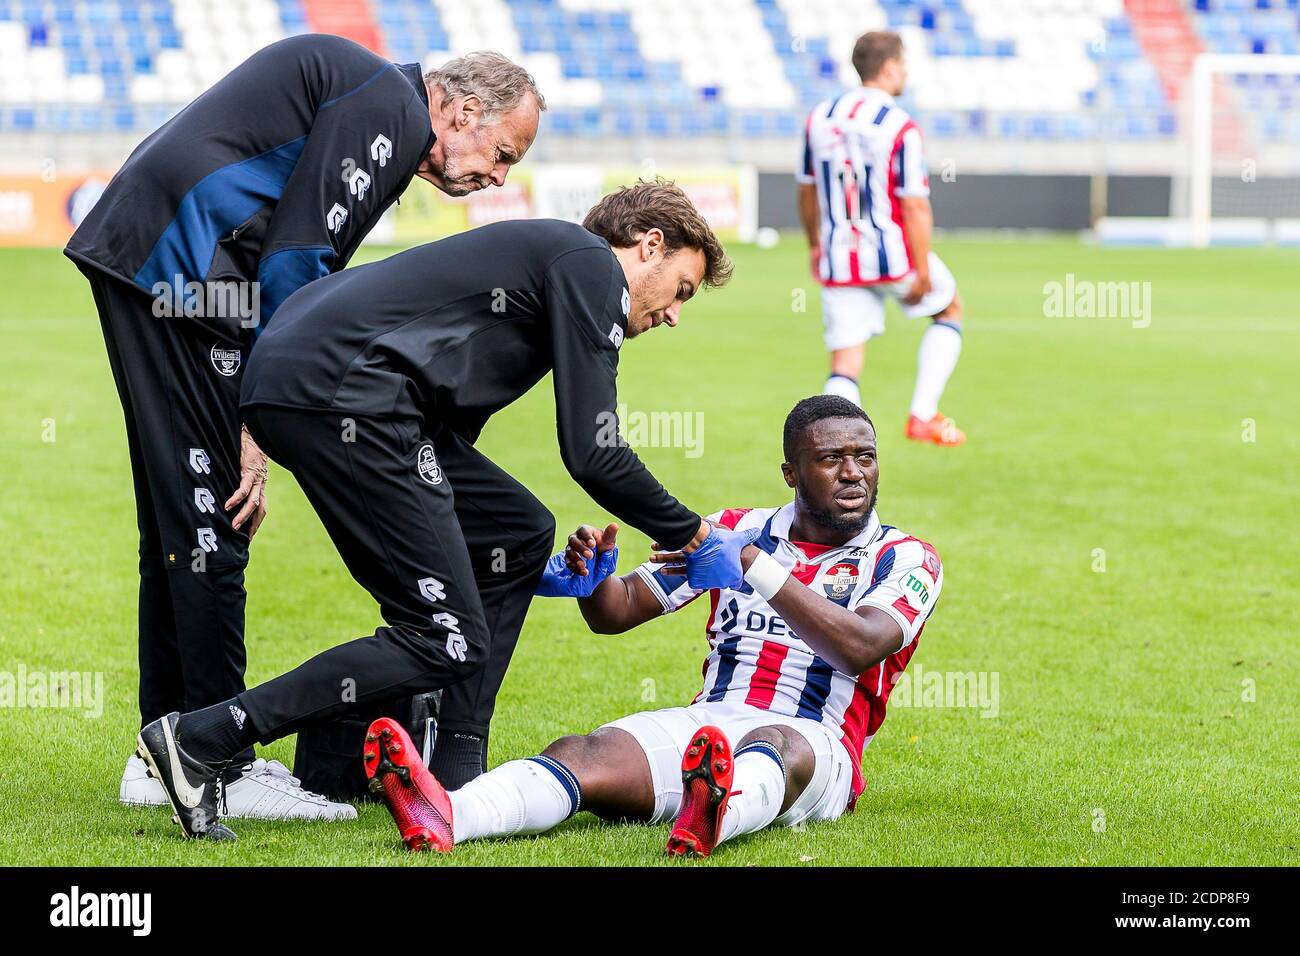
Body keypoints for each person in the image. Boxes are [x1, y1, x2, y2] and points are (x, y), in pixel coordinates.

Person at [135, 180, 760, 841]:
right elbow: (593, 450)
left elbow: (451, 447)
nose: (673, 316)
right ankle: (201, 738)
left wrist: (521, 567)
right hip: (345, 393)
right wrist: (692, 534)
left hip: (326, 388)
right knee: (444, 636)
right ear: (649, 244)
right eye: (682, 290)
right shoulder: (590, 264)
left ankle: (441, 773)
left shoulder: (548, 267)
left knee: (519, 531)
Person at [65, 35, 544, 818]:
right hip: (183, 272)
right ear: (460, 110)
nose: (496, 177)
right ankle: (218, 760)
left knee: (182, 529)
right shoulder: (391, 105)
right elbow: (298, 261)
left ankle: (166, 749)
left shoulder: (375, 98)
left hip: (166, 263)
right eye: (502, 153)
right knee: (217, 519)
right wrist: (261, 423)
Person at [360, 395, 944, 856]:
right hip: (708, 728)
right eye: (830, 460)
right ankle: (447, 813)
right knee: (582, 753)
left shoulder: (906, 557)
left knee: (775, 746)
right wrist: (592, 578)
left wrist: (752, 566)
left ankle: (715, 814)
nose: (853, 474)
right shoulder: (734, 527)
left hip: (817, 744)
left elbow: (862, 648)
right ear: (791, 473)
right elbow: (620, 611)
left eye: (865, 457)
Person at [797, 30, 967, 447]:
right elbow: (914, 204)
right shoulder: (899, 125)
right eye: (903, 63)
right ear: (890, 67)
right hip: (892, 254)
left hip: (840, 255)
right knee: (949, 310)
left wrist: (816, 244)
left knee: (845, 363)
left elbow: (806, 190)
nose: (905, 71)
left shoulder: (820, 117)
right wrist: (922, 268)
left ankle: (832, 448)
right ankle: (923, 415)